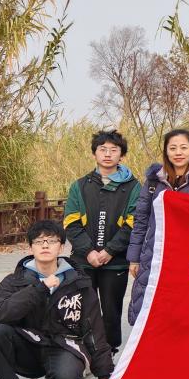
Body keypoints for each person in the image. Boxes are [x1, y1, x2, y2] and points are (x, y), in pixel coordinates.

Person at [0, 220, 113, 379]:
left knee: (67, 377)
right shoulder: (14, 281)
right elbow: (2, 313)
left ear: (61, 247)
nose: (45, 245)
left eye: (51, 241)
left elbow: (94, 327)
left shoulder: (79, 282)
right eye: (39, 241)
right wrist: (39, 288)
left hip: (63, 346)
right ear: (30, 247)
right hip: (28, 345)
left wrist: (103, 371)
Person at [127, 129, 189, 379]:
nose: (178, 153)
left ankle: (174, 373)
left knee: (180, 316)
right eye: (173, 148)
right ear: (166, 151)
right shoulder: (153, 181)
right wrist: (134, 257)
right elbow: (141, 219)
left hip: (188, 259)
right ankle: (153, 373)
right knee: (152, 313)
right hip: (154, 255)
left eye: (183, 147)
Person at [62, 129, 139, 355]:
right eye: (102, 149)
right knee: (84, 307)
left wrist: (109, 251)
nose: (107, 154)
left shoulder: (133, 186)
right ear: (94, 153)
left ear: (121, 155)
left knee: (111, 309)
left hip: (115, 261)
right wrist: (89, 252)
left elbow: (134, 222)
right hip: (83, 260)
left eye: (113, 150)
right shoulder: (80, 185)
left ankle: (109, 352)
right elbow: (71, 222)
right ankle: (85, 352)